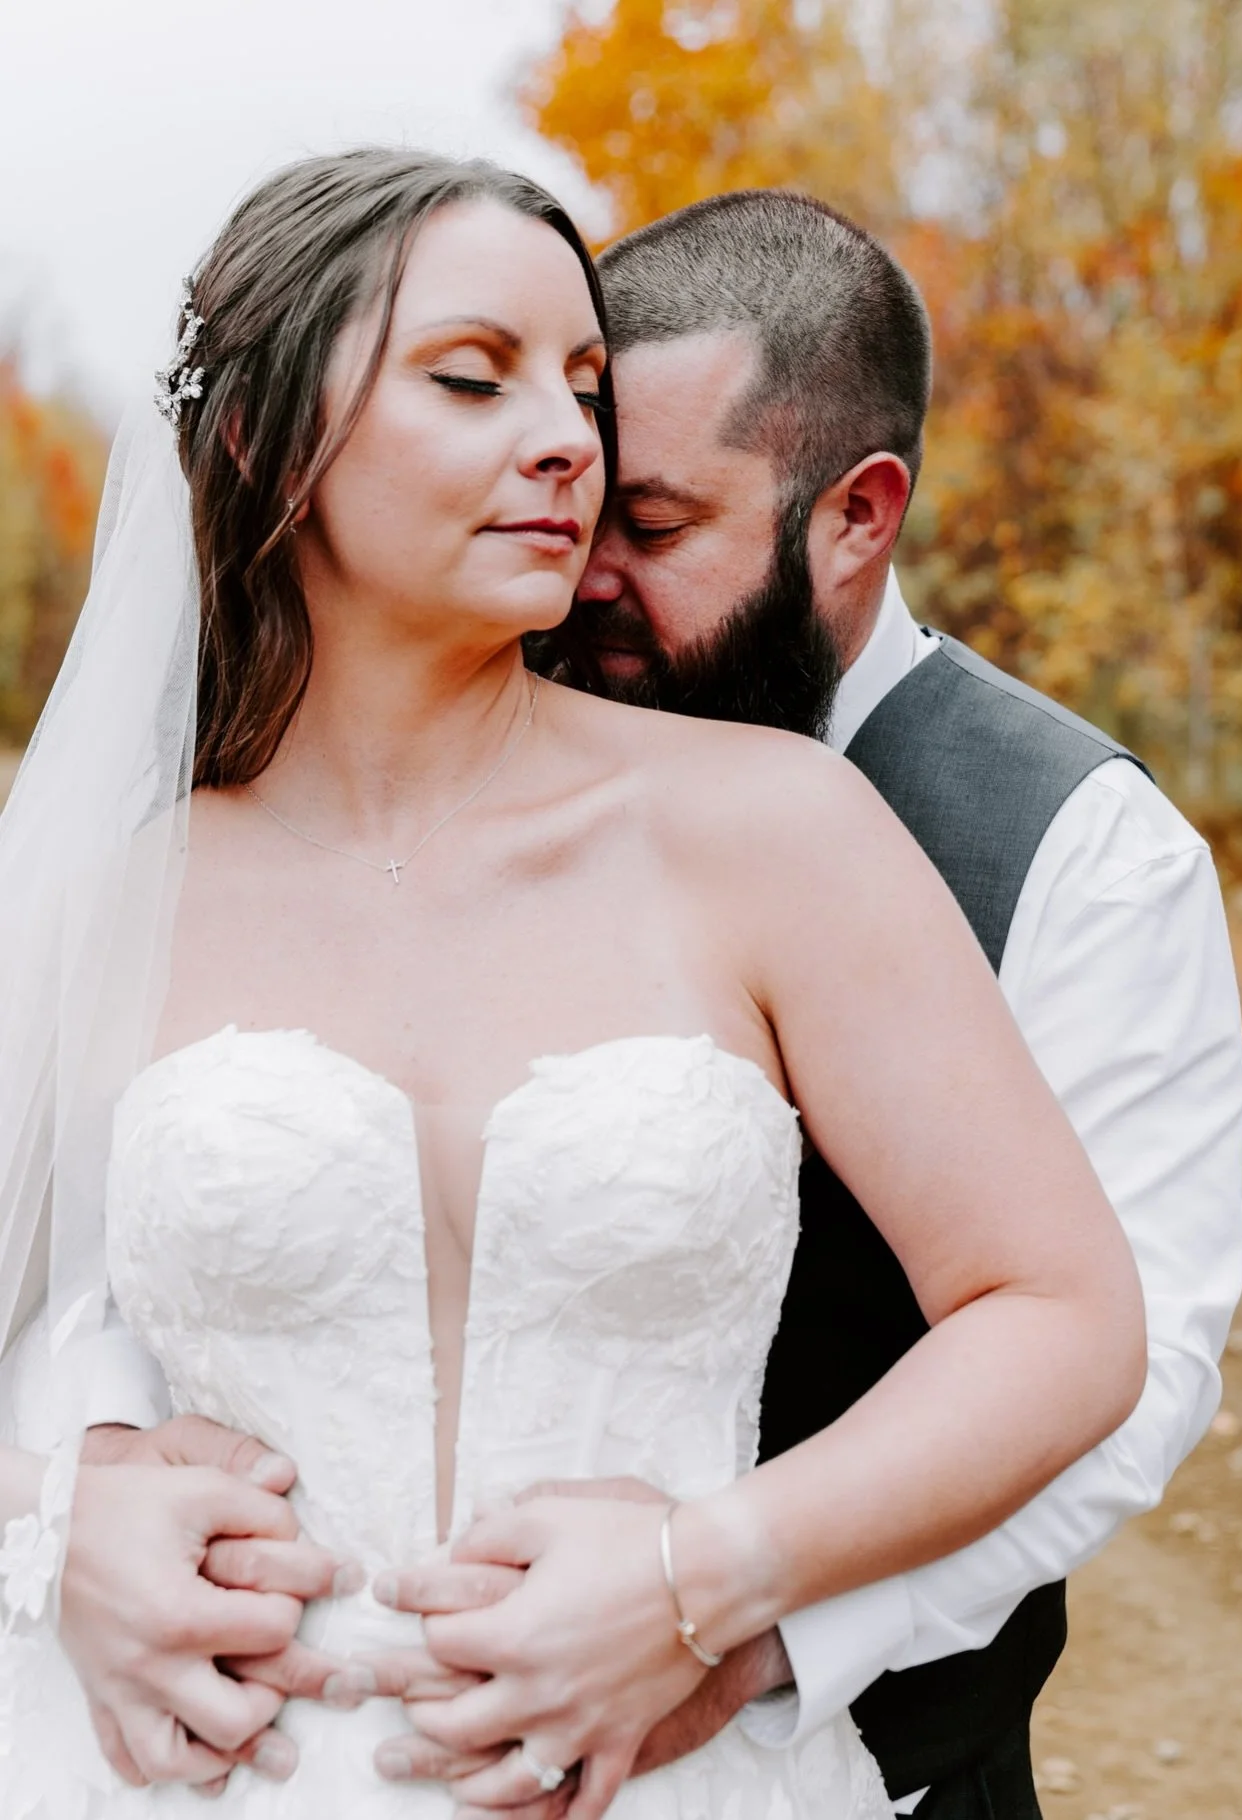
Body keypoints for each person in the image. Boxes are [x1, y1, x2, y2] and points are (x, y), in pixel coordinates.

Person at [0, 150, 1146, 1818]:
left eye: (587, 387)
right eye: (474, 378)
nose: (566, 442)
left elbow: (1065, 1316)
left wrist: (709, 1570)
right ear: (254, 439)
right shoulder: (115, 889)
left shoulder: (773, 830)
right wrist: (52, 1521)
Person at [399, 190, 1242, 1819]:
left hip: (869, 1772)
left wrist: (750, 1627)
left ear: (858, 515)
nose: (583, 583)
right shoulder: (488, 745)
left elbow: (1130, 1377)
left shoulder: (1083, 848)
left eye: (651, 527)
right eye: (580, 508)